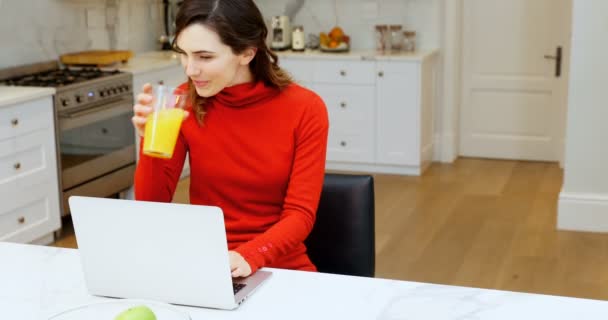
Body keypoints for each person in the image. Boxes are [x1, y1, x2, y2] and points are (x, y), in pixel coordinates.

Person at [131, 0, 328, 278]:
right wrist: (148, 142)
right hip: (207, 262)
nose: (190, 69)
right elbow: (152, 204)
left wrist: (250, 255)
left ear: (246, 52)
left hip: (279, 264)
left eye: (205, 57)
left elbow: (300, 214)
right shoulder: (182, 102)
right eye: (183, 54)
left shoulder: (305, 108)